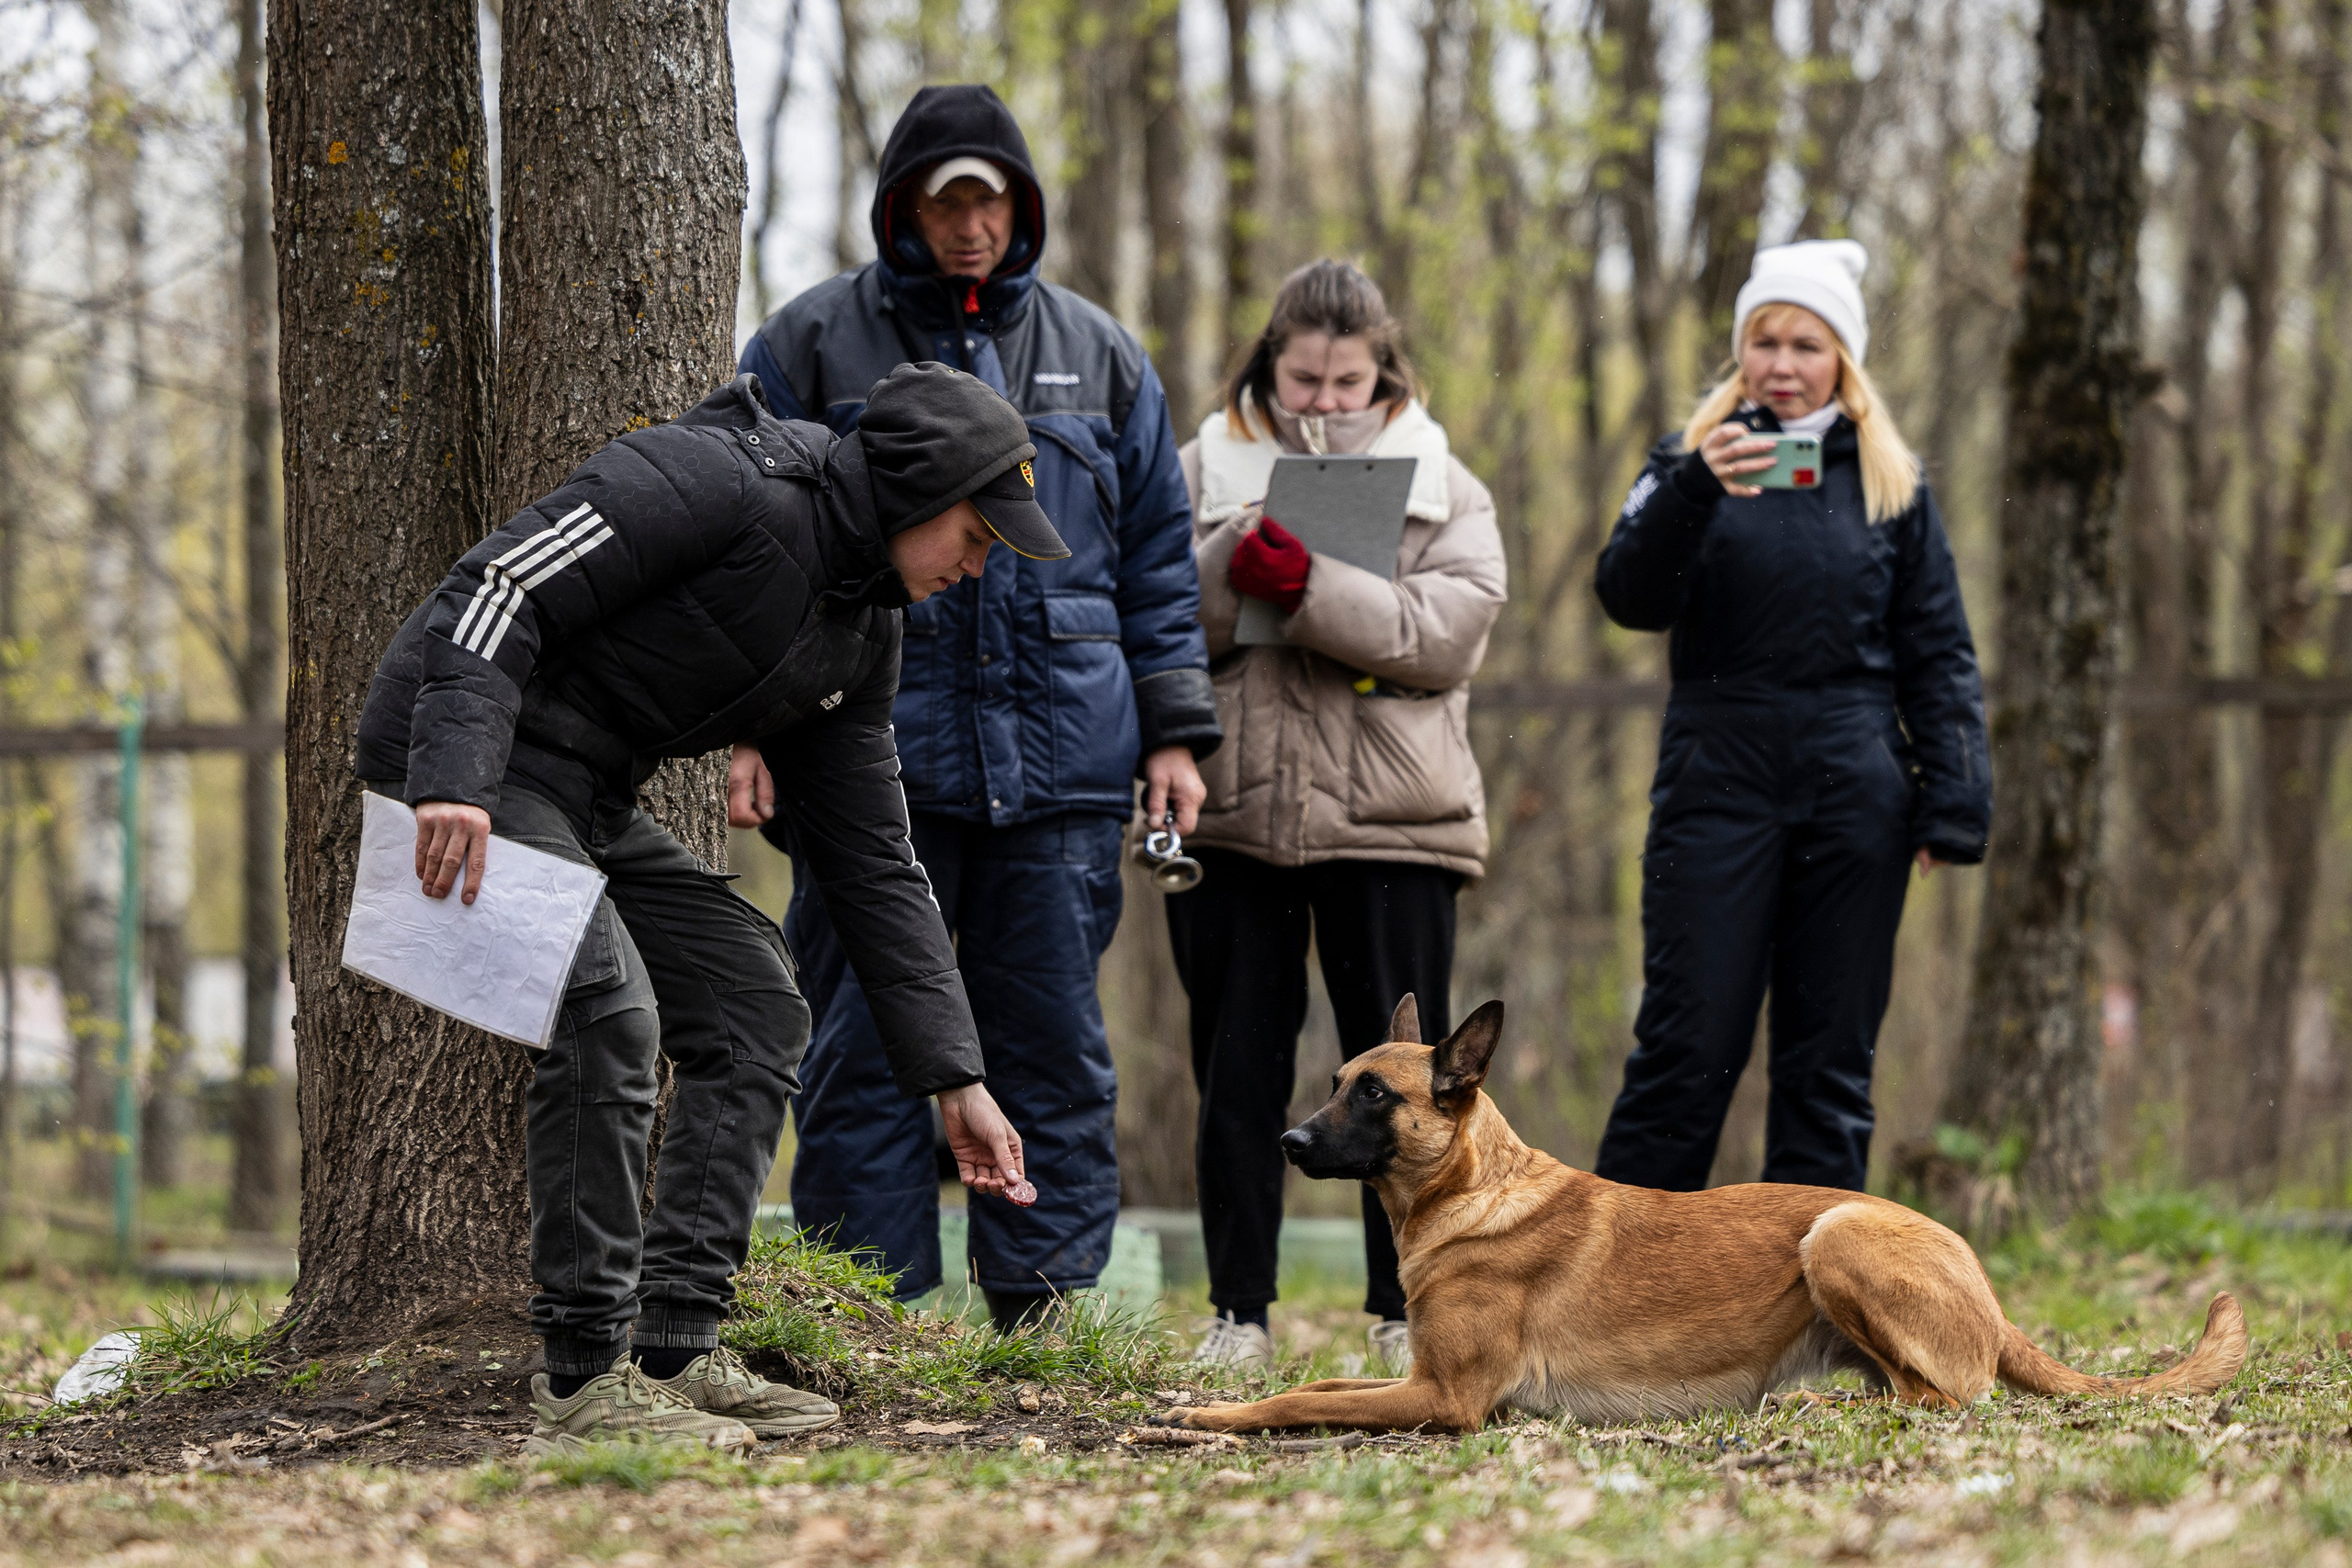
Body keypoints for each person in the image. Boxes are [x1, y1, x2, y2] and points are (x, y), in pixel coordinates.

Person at [356, 362, 1056, 1453]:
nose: (980, 563)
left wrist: (953, 1078)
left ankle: (676, 1342)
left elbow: (872, 862)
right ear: (920, 491)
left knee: (754, 1001)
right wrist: (450, 772)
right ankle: (583, 1383)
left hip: (580, 795)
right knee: (609, 1015)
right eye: (977, 533)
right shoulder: (716, 478)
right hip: (462, 773)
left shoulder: (860, 633)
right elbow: (496, 588)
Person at [734, 84, 1218, 1327]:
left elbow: (1159, 559)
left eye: (989, 201)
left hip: (1061, 765)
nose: (970, 226)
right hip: (864, 761)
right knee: (857, 1047)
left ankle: (1046, 1309)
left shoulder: (1102, 354)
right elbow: (753, 543)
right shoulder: (809, 344)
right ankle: (869, 1313)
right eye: (947, 201)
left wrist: (1172, 729)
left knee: (1052, 1045)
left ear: (1021, 209)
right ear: (904, 207)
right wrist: (744, 719)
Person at [1590, 239, 1991, 1195]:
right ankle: (1610, 1304)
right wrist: (1695, 486)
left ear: (1840, 362)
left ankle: (1813, 1308)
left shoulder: (1894, 481)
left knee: (1828, 1068)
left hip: (1856, 791)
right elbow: (1626, 596)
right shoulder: (1685, 462)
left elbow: (1938, 647)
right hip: (1714, 779)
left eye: (1804, 344)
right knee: (1686, 1049)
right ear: (1740, 355)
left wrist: (1954, 802)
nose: (1779, 363)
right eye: (1762, 342)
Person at [1165, 259, 1507, 1370]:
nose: (1320, 401)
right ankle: (1238, 1314)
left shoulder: (1443, 483)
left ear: (1382, 377)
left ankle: (1402, 1309)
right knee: (1236, 1065)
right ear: (1270, 365)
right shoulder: (1196, 468)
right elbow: (1154, 616)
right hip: (1233, 812)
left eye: (1345, 382)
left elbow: (1449, 630)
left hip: (1393, 819)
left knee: (1405, 1081)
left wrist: (1307, 588)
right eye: (1302, 378)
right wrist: (1233, 562)